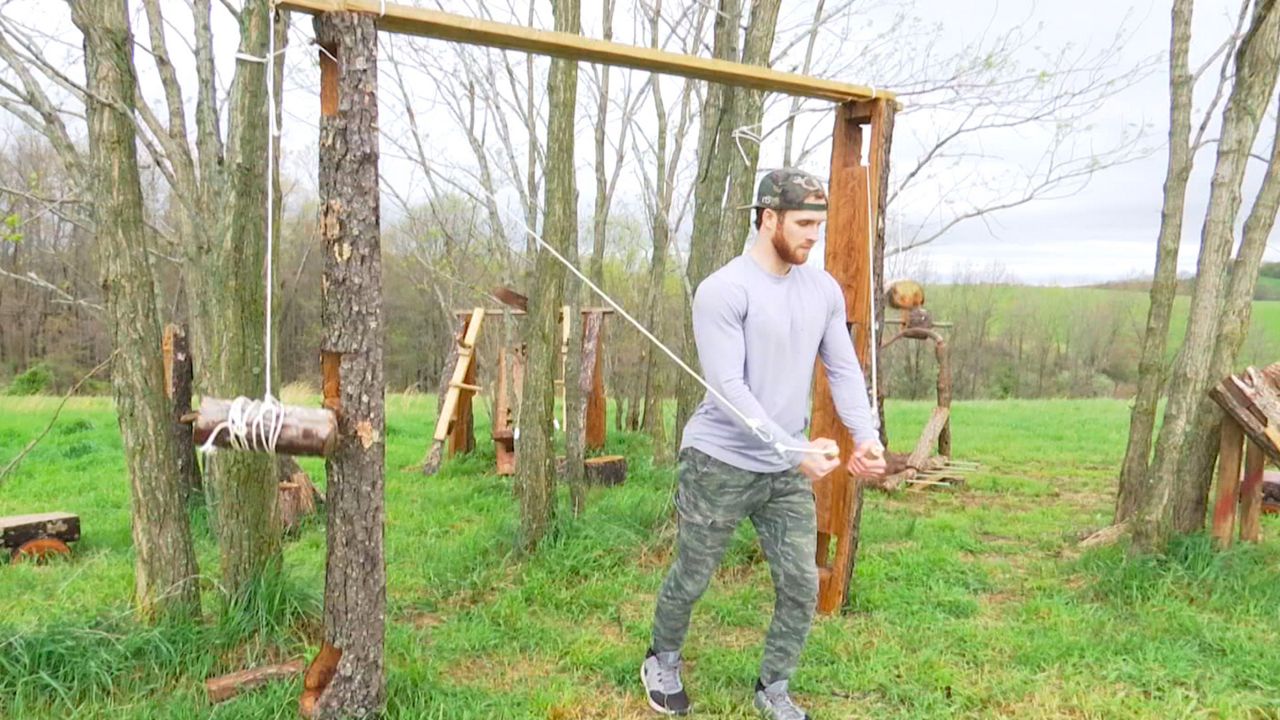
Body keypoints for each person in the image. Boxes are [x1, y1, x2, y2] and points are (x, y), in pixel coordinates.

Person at [640, 168, 887, 719]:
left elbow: (843, 370)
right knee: (694, 571)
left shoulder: (821, 290)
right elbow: (729, 389)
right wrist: (793, 450)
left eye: (818, 225)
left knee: (801, 584)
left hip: (783, 469)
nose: (812, 236)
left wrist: (866, 439)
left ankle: (774, 688)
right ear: (768, 217)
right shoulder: (724, 290)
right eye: (803, 223)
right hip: (719, 462)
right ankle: (663, 658)